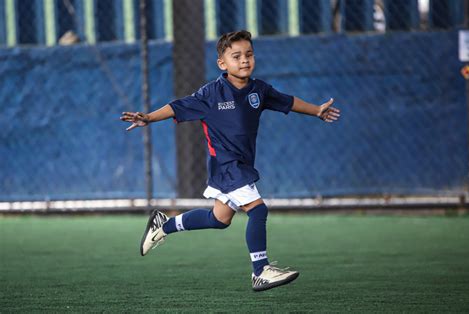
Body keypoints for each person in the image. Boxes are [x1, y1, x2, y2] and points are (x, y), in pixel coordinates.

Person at [120, 30, 340, 292]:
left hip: (242, 165)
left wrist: (316, 110)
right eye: (236, 56)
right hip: (227, 167)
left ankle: (164, 225)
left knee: (219, 219)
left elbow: (288, 101)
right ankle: (261, 271)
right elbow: (177, 106)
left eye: (248, 54)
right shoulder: (211, 94)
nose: (244, 60)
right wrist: (148, 117)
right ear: (222, 64)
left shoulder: (259, 90)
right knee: (258, 210)